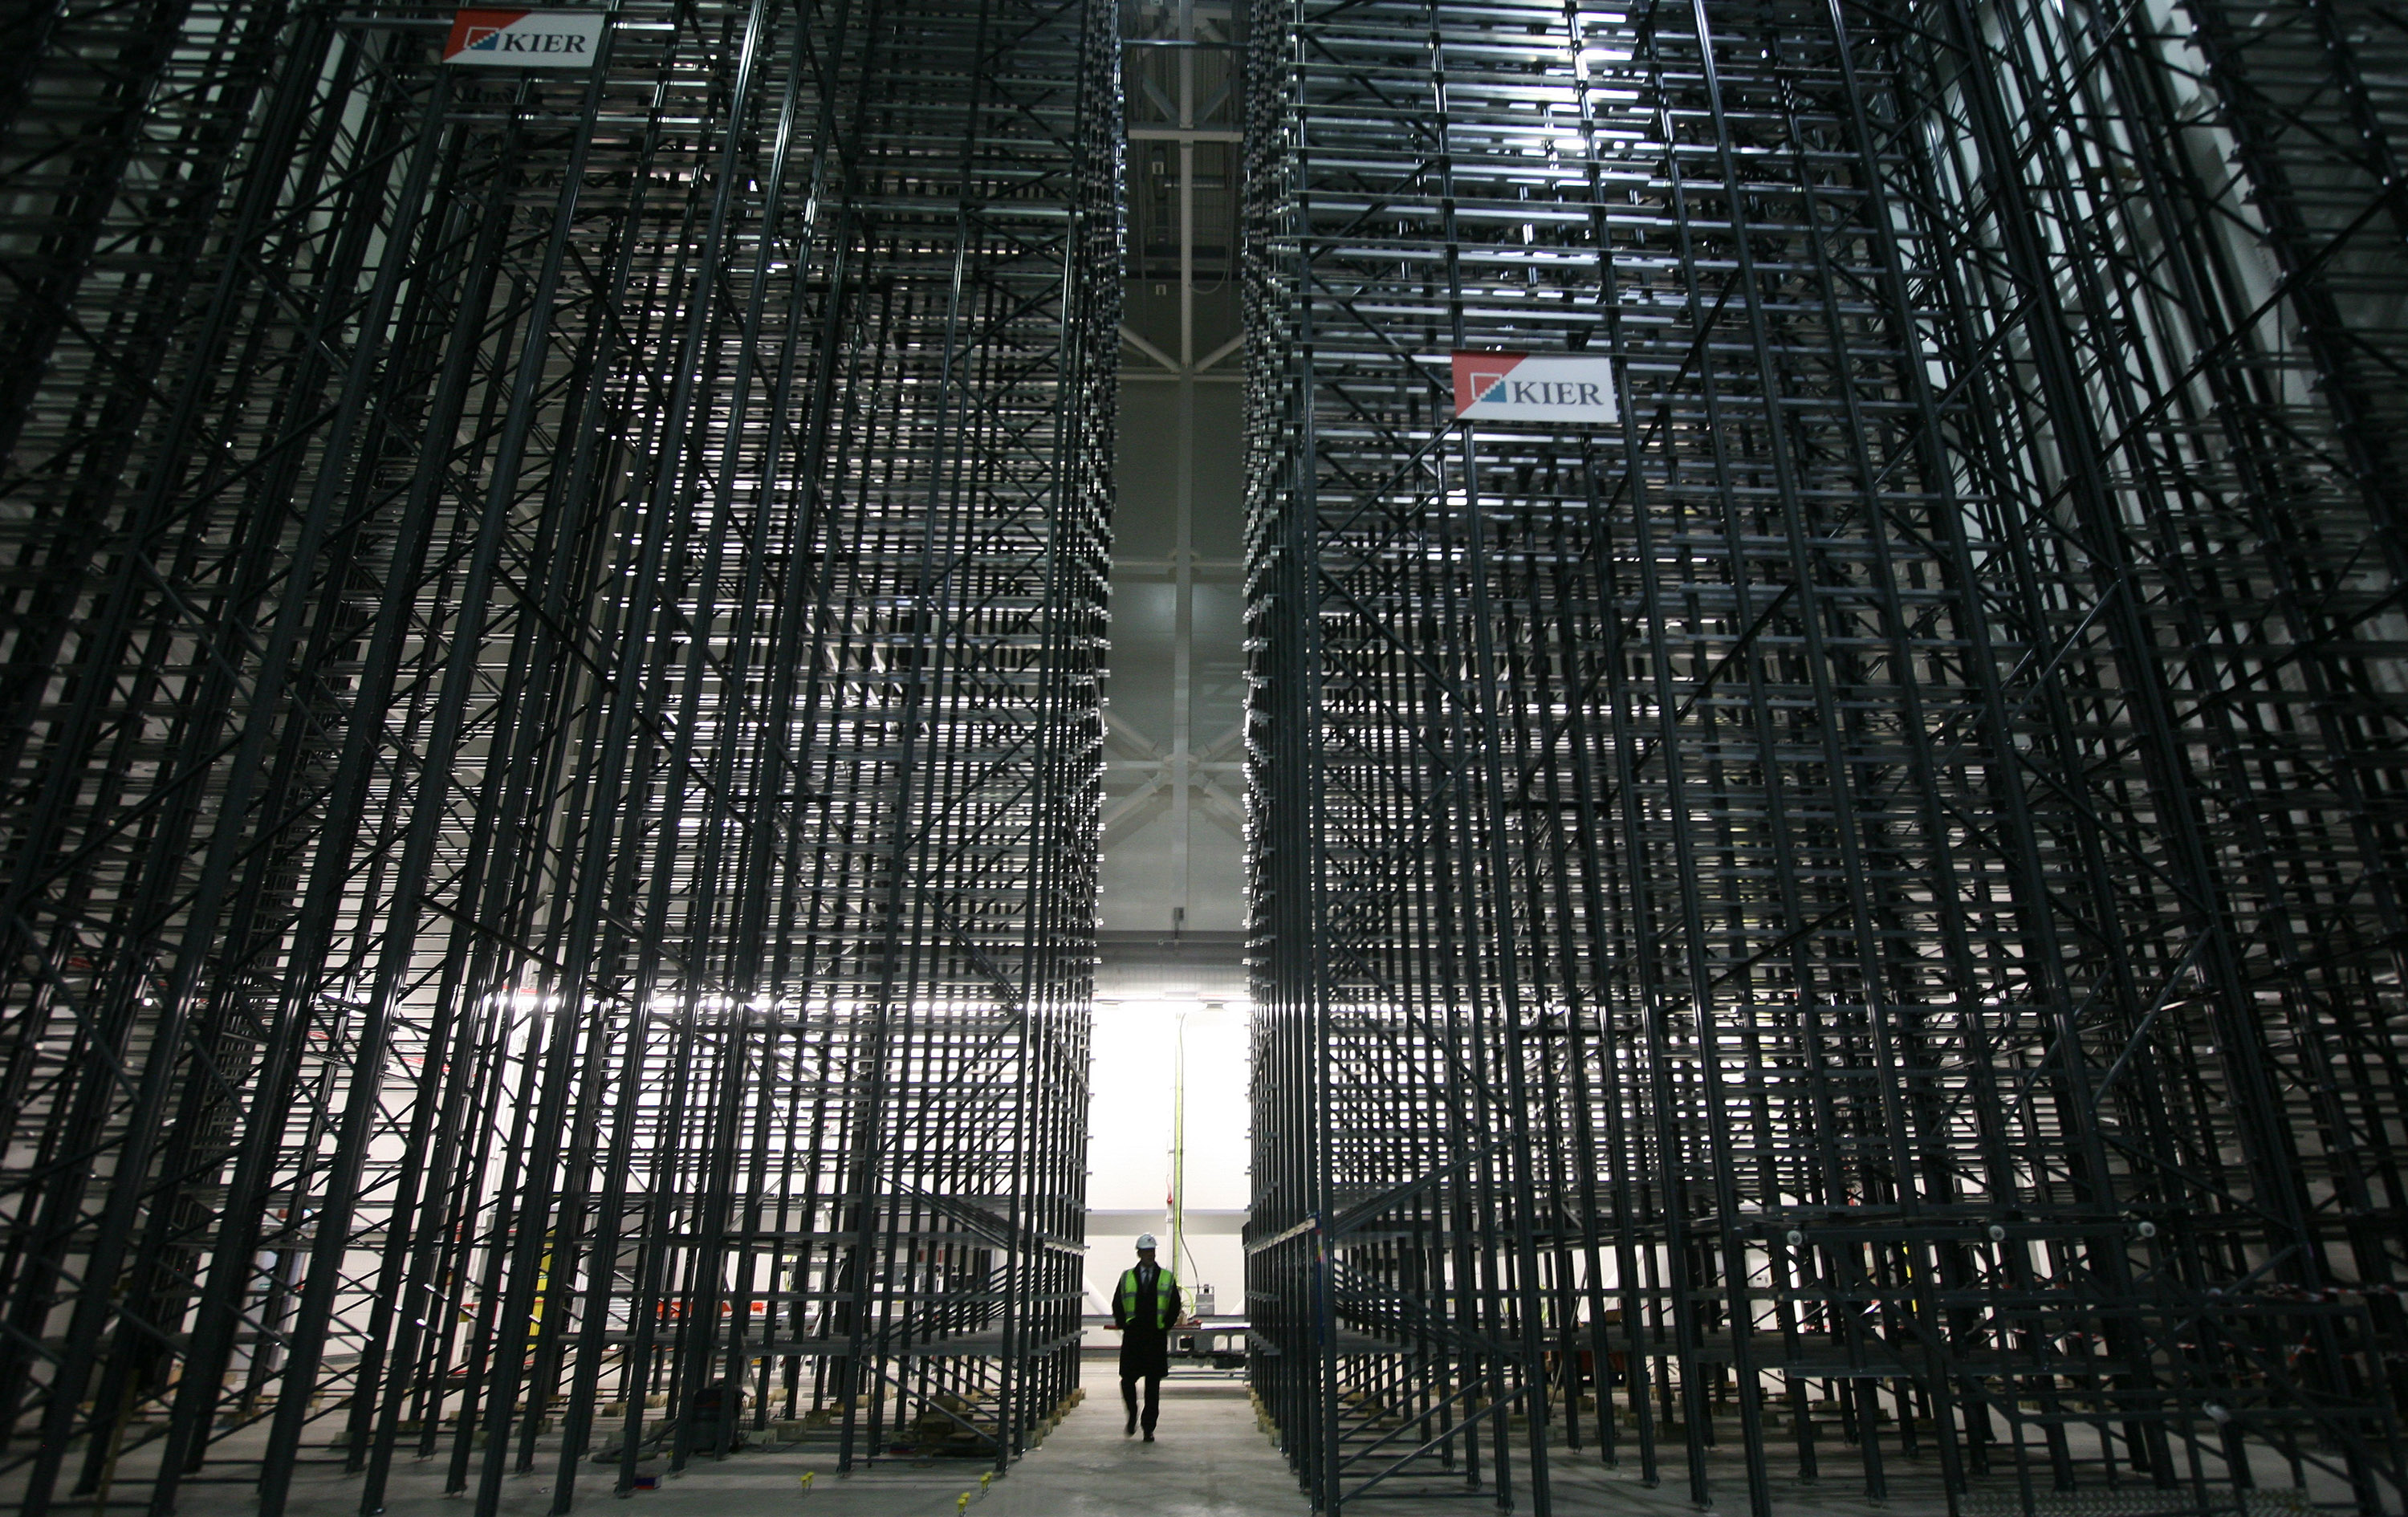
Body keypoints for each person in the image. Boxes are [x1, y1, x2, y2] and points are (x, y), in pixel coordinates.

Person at [1111, 1233, 1182, 1441]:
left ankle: (1148, 1427)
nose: (1150, 1255)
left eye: (1152, 1251)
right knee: (1127, 1381)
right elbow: (1117, 1303)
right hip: (1134, 1336)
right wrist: (1124, 1325)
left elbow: (1174, 1305)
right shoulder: (1127, 1277)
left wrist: (1165, 1326)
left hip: (1155, 1337)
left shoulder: (1167, 1277)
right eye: (1146, 1251)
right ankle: (1132, 1413)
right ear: (1139, 1253)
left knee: (1153, 1386)